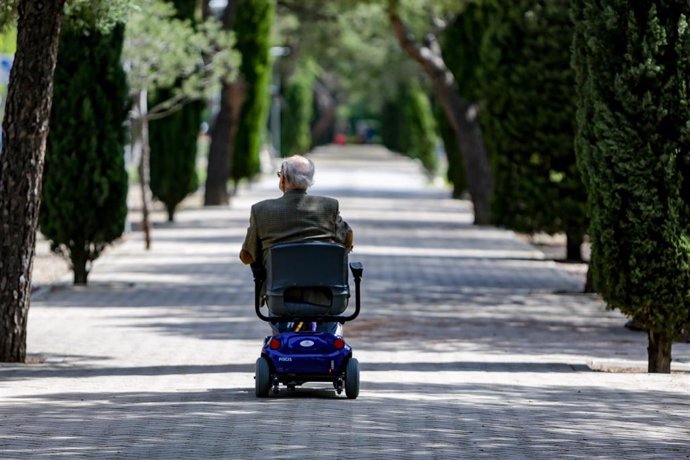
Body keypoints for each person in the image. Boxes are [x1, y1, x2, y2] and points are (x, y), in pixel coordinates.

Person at [240, 155, 353, 334]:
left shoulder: (261, 210)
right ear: (310, 181)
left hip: (282, 299)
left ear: (283, 178)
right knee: (330, 327)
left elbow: (247, 256)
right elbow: (346, 241)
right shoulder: (329, 207)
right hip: (326, 298)